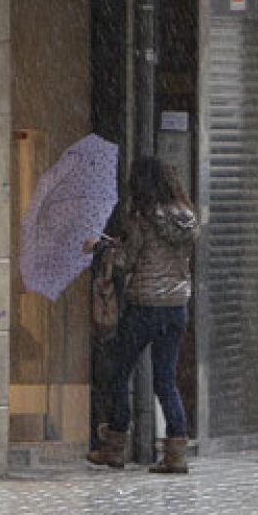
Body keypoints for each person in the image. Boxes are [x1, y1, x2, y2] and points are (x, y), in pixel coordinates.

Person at [86, 158, 200, 473]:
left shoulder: (143, 219)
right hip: (176, 308)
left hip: (144, 306)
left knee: (119, 372)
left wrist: (102, 249)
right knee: (166, 381)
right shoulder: (187, 220)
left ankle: (115, 446)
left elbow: (126, 262)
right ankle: (177, 454)